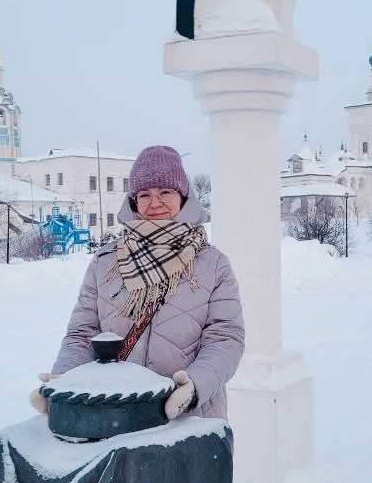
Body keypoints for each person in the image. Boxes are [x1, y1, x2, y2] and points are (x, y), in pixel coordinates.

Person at [32, 144, 245, 421]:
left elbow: (226, 339)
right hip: (117, 413)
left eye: (165, 192)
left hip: (190, 419)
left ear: (183, 197)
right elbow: (83, 334)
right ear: (133, 202)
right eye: (145, 194)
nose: (155, 203)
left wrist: (193, 386)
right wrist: (63, 381)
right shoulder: (106, 262)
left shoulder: (212, 263)